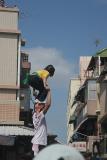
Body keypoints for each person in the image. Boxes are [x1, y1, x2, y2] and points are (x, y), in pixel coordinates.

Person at [31, 89, 51, 157]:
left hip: (37, 142)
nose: (37, 105)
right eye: (37, 104)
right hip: (39, 142)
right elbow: (48, 105)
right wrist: (49, 91)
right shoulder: (40, 115)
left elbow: (38, 105)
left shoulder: (34, 115)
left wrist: (35, 96)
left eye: (39, 104)